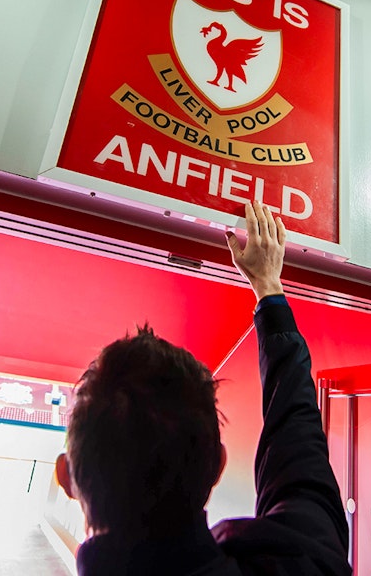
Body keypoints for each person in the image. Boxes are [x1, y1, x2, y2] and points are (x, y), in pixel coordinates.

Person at [54, 201, 351, 575]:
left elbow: (299, 454)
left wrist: (269, 289)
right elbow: (298, 444)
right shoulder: (298, 560)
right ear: (217, 466)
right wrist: (267, 285)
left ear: (66, 475)